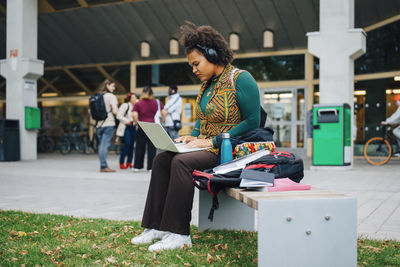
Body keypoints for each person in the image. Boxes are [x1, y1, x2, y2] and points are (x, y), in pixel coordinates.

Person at [130, 22, 260, 251]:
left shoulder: (241, 79)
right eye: (192, 65)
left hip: (228, 150)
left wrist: (214, 140)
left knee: (181, 163)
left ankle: (180, 234)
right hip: (205, 147)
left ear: (213, 55)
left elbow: (253, 122)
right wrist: (191, 137)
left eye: (196, 63)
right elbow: (201, 117)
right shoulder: (206, 86)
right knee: (162, 159)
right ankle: (156, 227)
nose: (194, 70)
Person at [132, 86, 164, 172]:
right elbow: (164, 112)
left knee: (139, 147)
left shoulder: (138, 103)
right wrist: (162, 122)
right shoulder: (156, 102)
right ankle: (151, 167)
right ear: (152, 93)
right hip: (153, 126)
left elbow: (134, 115)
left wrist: (137, 123)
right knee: (152, 148)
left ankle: (137, 167)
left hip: (142, 125)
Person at [97, 79, 118, 172]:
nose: (114, 88)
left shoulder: (99, 96)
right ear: (108, 85)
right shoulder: (111, 96)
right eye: (113, 86)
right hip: (108, 123)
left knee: (101, 146)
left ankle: (103, 164)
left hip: (99, 125)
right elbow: (115, 111)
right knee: (104, 146)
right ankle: (103, 166)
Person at [116, 93, 137, 169]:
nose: (135, 99)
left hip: (134, 127)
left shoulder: (135, 106)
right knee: (127, 144)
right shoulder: (125, 105)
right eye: (133, 97)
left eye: (135, 97)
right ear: (129, 98)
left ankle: (129, 162)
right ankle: (121, 162)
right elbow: (118, 116)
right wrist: (128, 121)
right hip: (126, 127)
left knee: (132, 146)